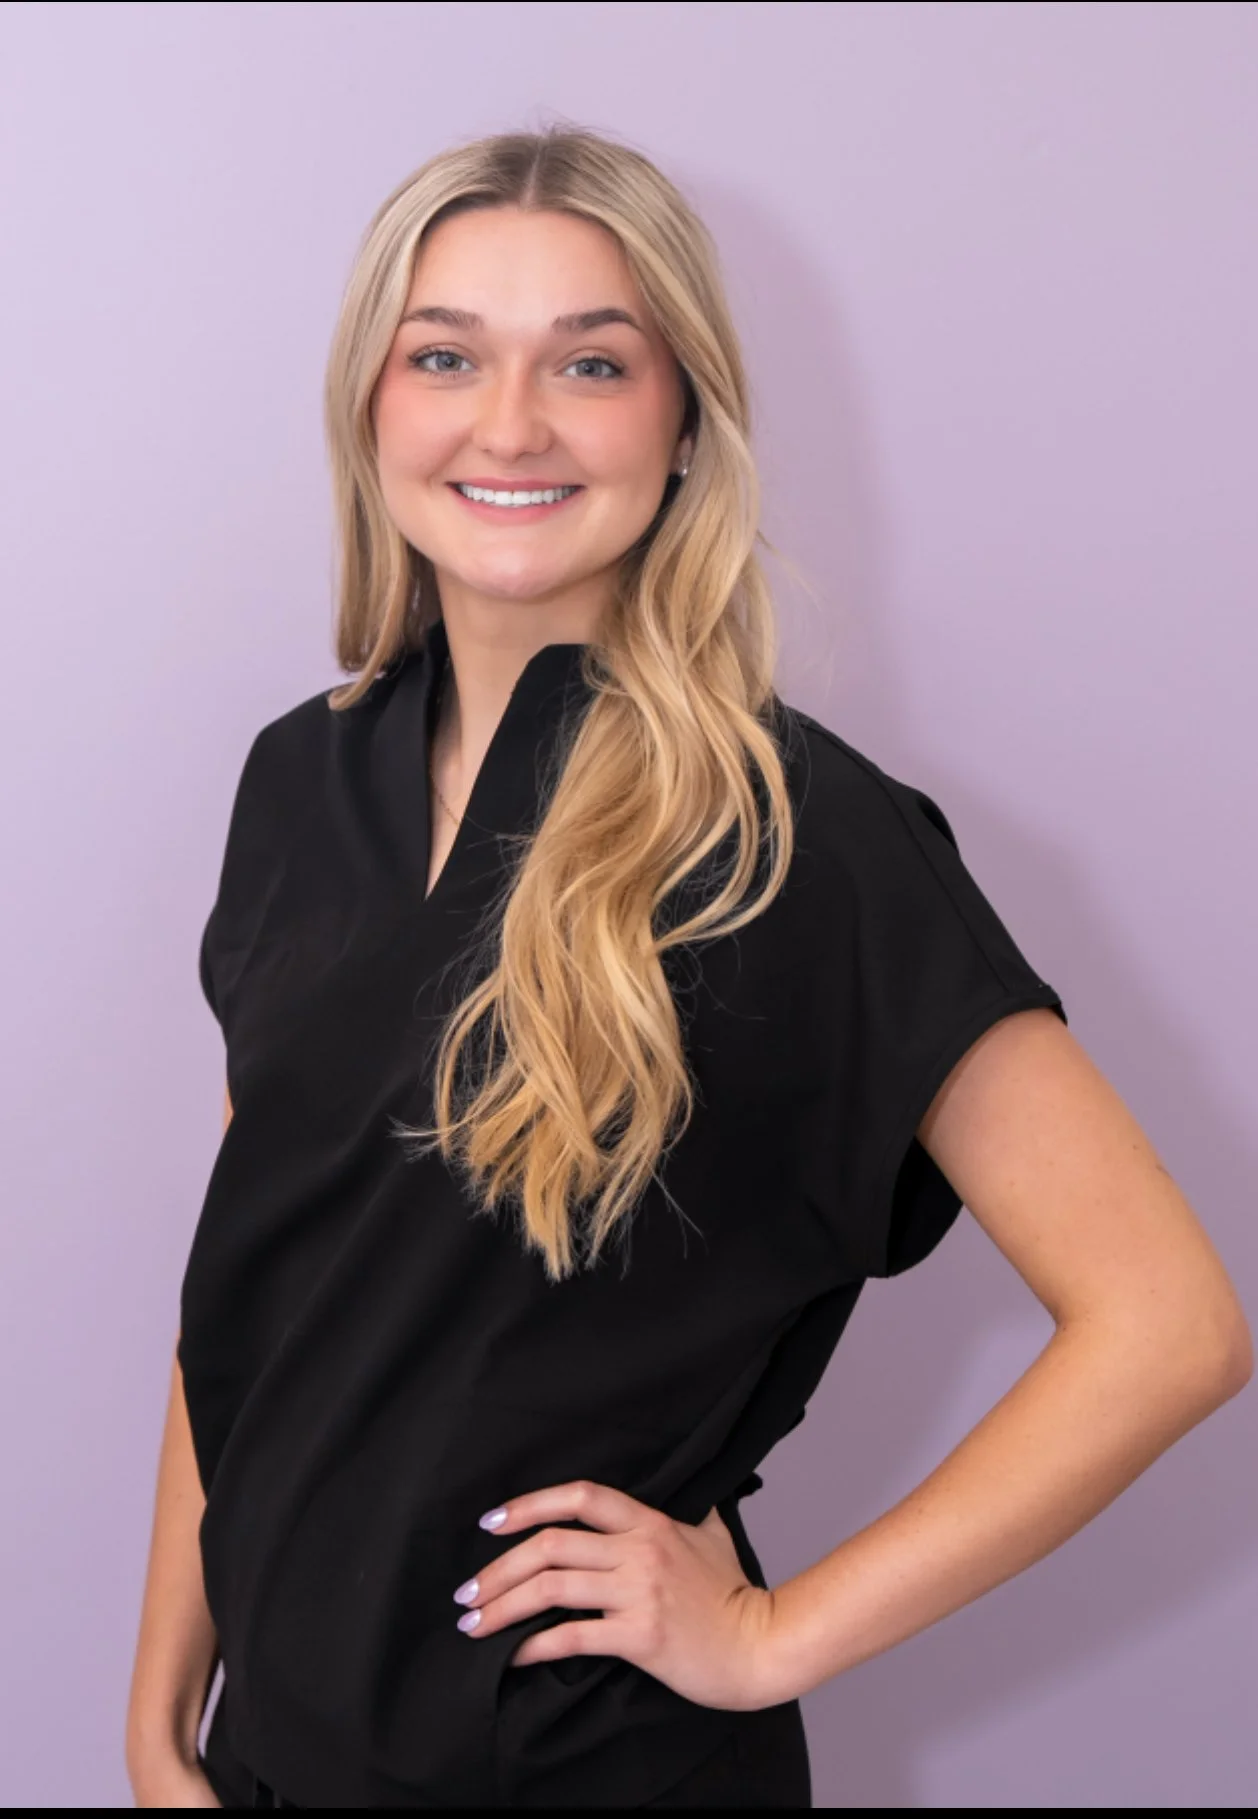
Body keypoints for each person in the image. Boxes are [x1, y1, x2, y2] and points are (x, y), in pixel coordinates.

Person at [124, 128, 1251, 1811]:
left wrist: (768, 1633)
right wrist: (162, 1712)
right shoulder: (302, 779)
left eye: (591, 363)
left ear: (683, 419)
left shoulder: (796, 836)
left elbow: (1167, 1323)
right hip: (273, 1762)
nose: (511, 424)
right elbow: (254, 1283)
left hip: (580, 1770)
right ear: (370, 404)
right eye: (446, 356)